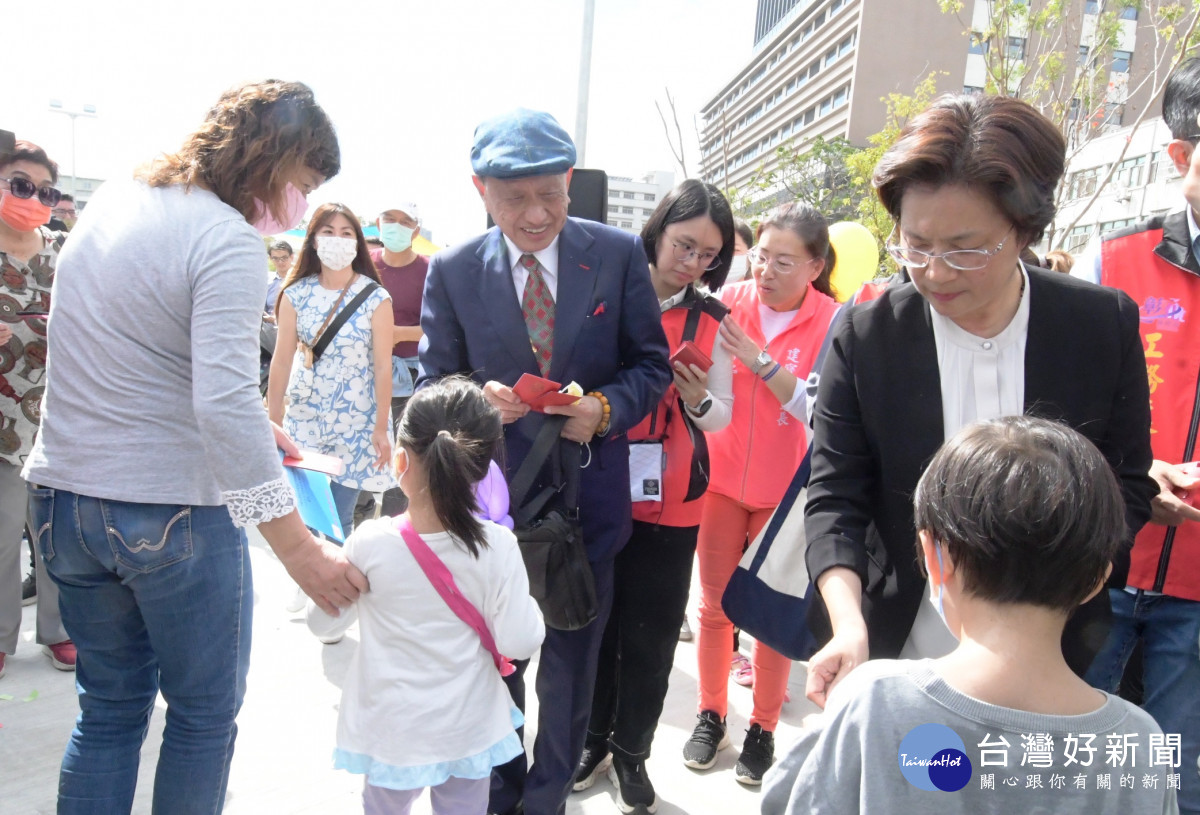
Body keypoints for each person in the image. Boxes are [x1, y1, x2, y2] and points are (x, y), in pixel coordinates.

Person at [23, 79, 365, 815]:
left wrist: (252, 421)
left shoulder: (116, 201)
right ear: (270, 159)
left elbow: (136, 352)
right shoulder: (228, 239)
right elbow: (220, 400)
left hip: (63, 502)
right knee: (202, 718)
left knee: (108, 712)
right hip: (167, 510)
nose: (299, 207)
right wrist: (299, 548)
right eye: (301, 184)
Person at [803, 94, 1157, 712]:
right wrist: (847, 624)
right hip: (900, 644)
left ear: (1023, 231)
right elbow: (836, 496)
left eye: (966, 249)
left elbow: (1123, 482)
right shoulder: (867, 336)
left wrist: (1059, 593)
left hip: (1054, 657)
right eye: (915, 245)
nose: (935, 272)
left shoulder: (1099, 326)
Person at [418, 108, 672, 815]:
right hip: (494, 508)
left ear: (569, 179)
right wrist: (475, 400)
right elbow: (434, 380)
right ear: (480, 189)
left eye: (550, 195)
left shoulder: (617, 255)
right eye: (514, 198)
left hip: (588, 504)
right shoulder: (456, 270)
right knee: (497, 663)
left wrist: (604, 408)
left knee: (570, 670)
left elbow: (650, 366)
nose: (536, 215)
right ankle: (498, 794)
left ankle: (547, 798)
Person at [764, 416, 1179, 815]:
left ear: (933, 555)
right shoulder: (1140, 743)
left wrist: (825, 731)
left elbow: (786, 801)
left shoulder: (876, 701)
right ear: (1097, 579)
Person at [307, 376, 545, 815]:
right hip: (467, 730)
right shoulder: (498, 546)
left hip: (391, 733)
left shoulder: (369, 543)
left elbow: (324, 624)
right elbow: (519, 641)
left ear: (401, 461)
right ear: (483, 467)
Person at [574, 180, 735, 811]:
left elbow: (719, 415)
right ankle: (592, 740)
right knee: (596, 626)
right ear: (659, 230)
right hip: (601, 483)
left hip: (674, 500)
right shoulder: (605, 294)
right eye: (684, 244)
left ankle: (633, 752)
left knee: (653, 632)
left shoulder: (713, 320)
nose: (692, 263)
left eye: (707, 255)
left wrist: (696, 397)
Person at [1071, 57, 1200, 815]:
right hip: (1104, 567)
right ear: (1181, 154)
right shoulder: (1116, 261)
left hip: (1198, 596)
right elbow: (1066, 405)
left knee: (1180, 781)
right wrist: (1135, 470)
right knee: (1065, 763)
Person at [683, 202, 842, 786]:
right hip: (722, 485)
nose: (765, 272)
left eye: (783, 261)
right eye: (760, 257)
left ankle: (763, 728)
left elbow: (820, 409)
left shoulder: (833, 321)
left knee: (770, 616)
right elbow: (712, 405)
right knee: (715, 608)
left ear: (815, 265)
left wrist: (759, 359)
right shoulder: (730, 304)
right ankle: (710, 714)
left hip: (786, 496)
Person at [268, 203, 395, 544]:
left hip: (356, 423)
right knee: (306, 515)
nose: (337, 240)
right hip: (304, 419)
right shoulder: (294, 294)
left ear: (358, 243)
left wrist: (381, 426)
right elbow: (281, 361)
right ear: (312, 241)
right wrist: (273, 417)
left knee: (338, 518)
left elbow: (384, 365)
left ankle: (335, 591)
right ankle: (314, 584)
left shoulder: (375, 297)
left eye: (346, 233)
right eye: (328, 232)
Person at [0, 140, 73, 678]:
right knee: (1, 537)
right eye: (20, 185)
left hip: (59, 420)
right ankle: (3, 639)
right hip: (2, 427)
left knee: (59, 538)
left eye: (45, 191)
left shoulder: (66, 250)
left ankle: (59, 631)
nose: (33, 199)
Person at [371, 200, 429, 517]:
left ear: (416, 230)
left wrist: (396, 334)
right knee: (363, 454)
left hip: (409, 378)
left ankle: (392, 527)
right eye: (389, 218)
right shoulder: (362, 265)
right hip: (364, 374)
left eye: (404, 221)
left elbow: (442, 325)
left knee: (401, 455)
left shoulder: (430, 269)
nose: (395, 226)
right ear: (378, 224)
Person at [265, 239, 294, 320]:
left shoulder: (301, 280)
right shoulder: (267, 281)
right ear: (270, 258)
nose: (280, 262)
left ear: (292, 256)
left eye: (284, 258)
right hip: (268, 330)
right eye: (276, 258)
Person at [723, 217, 755, 284]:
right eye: (720, 250)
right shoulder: (700, 293)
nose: (726, 255)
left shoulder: (760, 293)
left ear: (750, 254)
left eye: (734, 249)